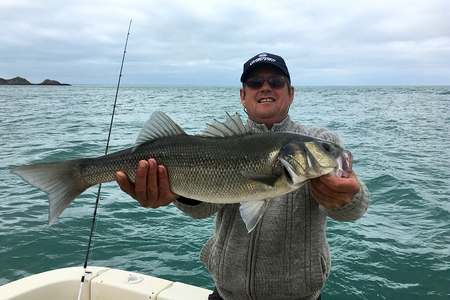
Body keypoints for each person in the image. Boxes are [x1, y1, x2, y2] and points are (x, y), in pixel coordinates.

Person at [115, 52, 369, 300]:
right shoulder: (216, 143)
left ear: (291, 93)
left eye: (277, 82)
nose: (265, 88)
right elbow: (201, 210)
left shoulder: (323, 141)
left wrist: (348, 197)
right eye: (255, 83)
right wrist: (177, 193)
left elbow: (353, 211)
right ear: (243, 96)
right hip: (227, 294)